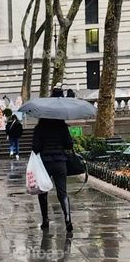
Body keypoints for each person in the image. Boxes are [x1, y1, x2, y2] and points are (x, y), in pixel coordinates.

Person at [31, 89, 74, 235]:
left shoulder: (39, 128)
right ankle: (67, 218)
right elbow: (69, 144)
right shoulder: (62, 127)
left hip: (45, 163)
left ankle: (45, 220)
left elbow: (35, 147)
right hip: (60, 162)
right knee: (62, 192)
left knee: (43, 191)